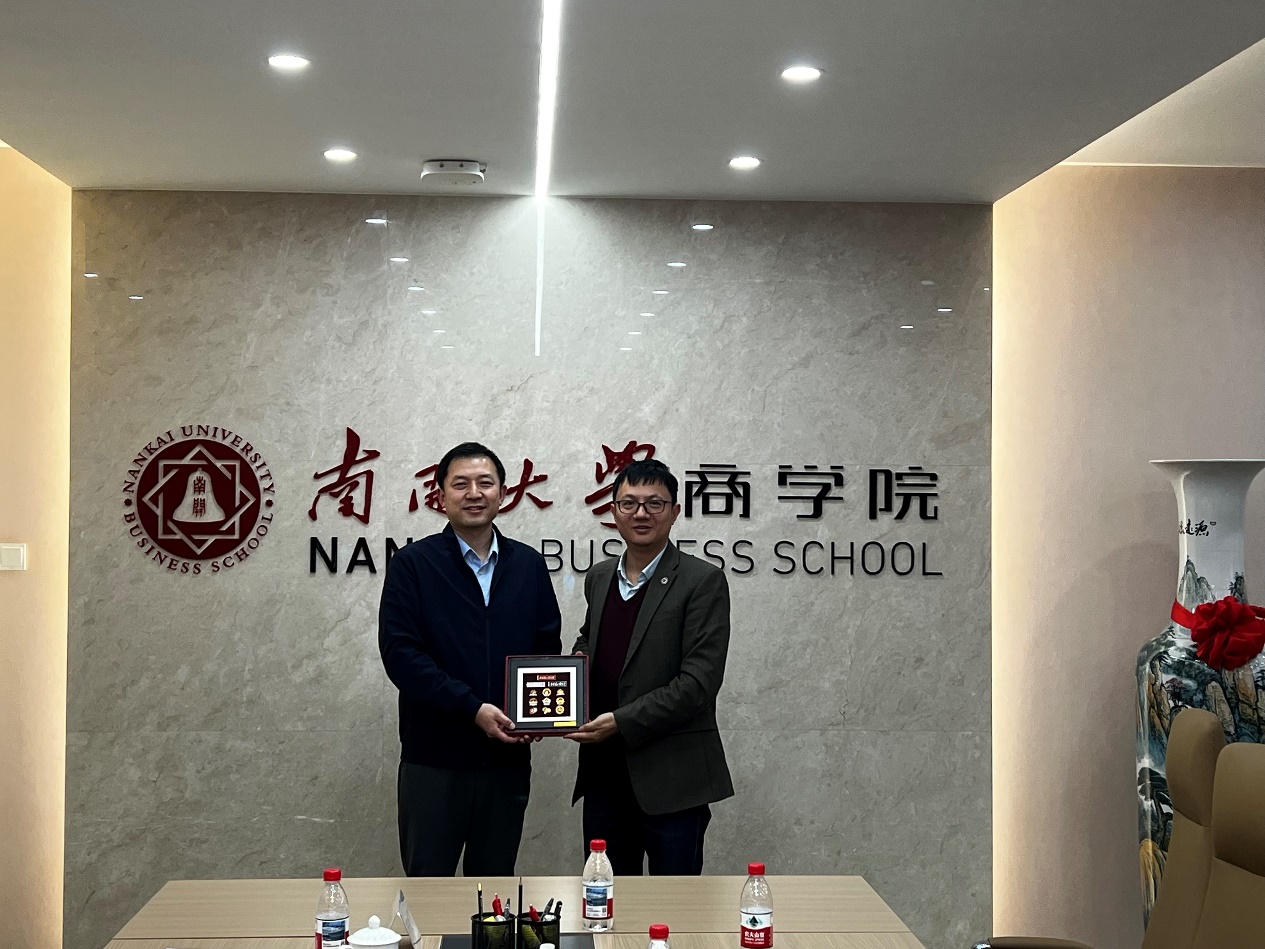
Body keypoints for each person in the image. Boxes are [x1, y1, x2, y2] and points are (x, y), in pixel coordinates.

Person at [379, 441, 562, 876]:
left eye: (485, 483)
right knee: (429, 887)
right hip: (434, 760)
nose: (474, 493)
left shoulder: (529, 565)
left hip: (506, 761)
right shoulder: (413, 564)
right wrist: (472, 708)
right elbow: (401, 654)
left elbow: (546, 647)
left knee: (493, 891)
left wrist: (536, 713)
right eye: (461, 484)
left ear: (503, 493)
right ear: (441, 495)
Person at [568, 458, 734, 874]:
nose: (641, 513)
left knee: (673, 906)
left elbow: (697, 684)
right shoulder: (600, 577)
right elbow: (591, 638)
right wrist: (571, 675)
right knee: (605, 898)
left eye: (654, 503)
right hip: (604, 776)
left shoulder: (702, 580)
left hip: (673, 781)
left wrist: (620, 722)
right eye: (629, 503)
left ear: (675, 512)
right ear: (613, 512)